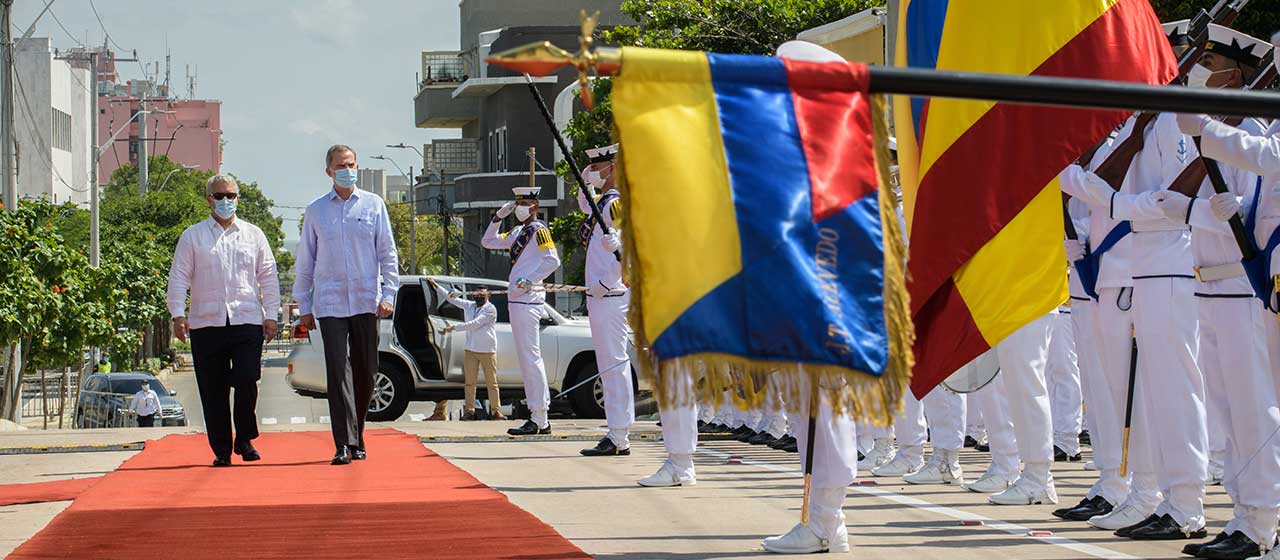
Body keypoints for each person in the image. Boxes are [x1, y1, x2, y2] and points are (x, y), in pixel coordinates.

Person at [1170, 25, 1280, 560]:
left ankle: (1262, 521)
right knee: (1231, 413)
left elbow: (1264, 179)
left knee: (1257, 414)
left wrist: (1208, 131)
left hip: (1248, 288)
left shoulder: (1260, 130)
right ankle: (1245, 515)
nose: (1199, 70)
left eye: (1209, 64)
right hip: (1216, 286)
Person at [293, 145, 398, 466]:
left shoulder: (374, 205)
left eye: (351, 164)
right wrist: (304, 305)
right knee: (338, 372)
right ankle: (342, 443)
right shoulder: (316, 210)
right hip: (330, 303)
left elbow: (388, 253)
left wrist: (388, 294)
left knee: (367, 370)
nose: (347, 170)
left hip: (367, 301)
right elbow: (305, 261)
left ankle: (358, 434)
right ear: (329, 171)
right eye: (340, 165)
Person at [167, 174, 279, 466]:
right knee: (212, 389)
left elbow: (268, 276)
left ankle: (244, 437)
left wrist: (272, 315)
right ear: (209, 199)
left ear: (238, 198)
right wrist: (178, 314)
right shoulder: (193, 236)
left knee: (246, 378)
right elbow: (179, 276)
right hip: (206, 322)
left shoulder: (254, 234)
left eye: (230, 195)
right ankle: (221, 450)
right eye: (219, 196)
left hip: (246, 319)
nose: (225, 201)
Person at [482, 185, 561, 436]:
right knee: (527, 358)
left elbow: (553, 260)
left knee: (530, 358)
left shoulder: (539, 231)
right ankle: (538, 415)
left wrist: (531, 279)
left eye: (524, 204)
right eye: (517, 204)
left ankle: (540, 417)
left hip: (528, 299)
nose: (519, 208)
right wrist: (497, 218)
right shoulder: (519, 230)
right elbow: (488, 241)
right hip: (518, 300)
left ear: (535, 206)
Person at [576, 143, 635, 456]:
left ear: (612, 167)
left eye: (599, 167)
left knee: (614, 365)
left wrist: (607, 281)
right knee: (609, 365)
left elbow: (626, 248)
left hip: (610, 293)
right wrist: (588, 176)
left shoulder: (615, 204)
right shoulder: (603, 201)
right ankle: (617, 431)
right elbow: (585, 204)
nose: (594, 173)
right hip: (600, 294)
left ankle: (619, 435)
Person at [428, 278, 504, 421]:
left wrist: (453, 328)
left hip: (487, 350)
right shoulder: (470, 306)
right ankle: (469, 411)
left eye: (482, 294)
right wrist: (436, 286)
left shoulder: (490, 309)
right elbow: (452, 299)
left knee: (492, 383)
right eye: (477, 294)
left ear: (488, 296)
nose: (479, 296)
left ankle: (496, 411)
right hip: (471, 349)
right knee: (470, 383)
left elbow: (474, 324)